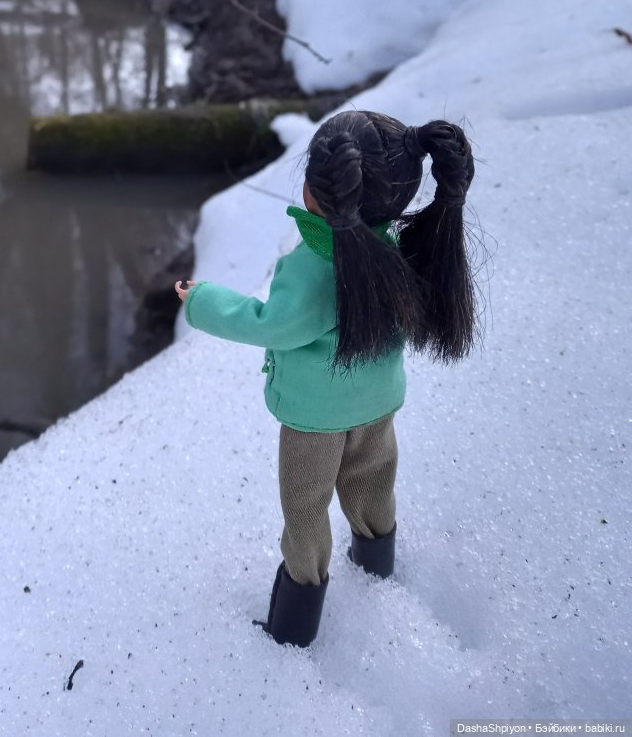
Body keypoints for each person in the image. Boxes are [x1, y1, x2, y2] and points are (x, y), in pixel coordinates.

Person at [175, 110, 479, 648]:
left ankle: (294, 624)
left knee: (306, 509)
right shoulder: (401, 249)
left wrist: (201, 299)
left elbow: (272, 324)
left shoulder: (312, 267)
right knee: (372, 483)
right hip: (379, 405)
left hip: (314, 420)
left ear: (319, 191)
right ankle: (377, 567)